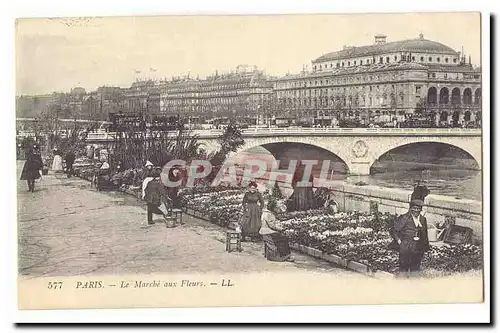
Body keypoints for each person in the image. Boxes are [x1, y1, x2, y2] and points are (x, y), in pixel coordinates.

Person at [390, 199, 430, 277]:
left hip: (418, 249)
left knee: (415, 269)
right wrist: (399, 241)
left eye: (418, 209)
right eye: (414, 208)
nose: (416, 210)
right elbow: (394, 230)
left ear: (421, 210)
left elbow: (425, 235)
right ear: (411, 208)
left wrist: (425, 247)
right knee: (403, 270)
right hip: (406, 248)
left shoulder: (423, 219)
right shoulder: (404, 218)